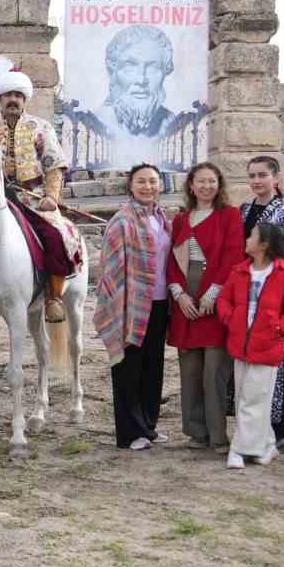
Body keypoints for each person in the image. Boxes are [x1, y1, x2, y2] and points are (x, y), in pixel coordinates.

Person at [0, 59, 81, 324]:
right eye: (8, 95)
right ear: (0, 98)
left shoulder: (40, 127)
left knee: (55, 236)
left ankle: (53, 297)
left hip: (32, 199)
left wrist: (51, 197)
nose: (13, 100)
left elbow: (54, 165)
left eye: (18, 95)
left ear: (24, 99)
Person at [165, 162, 244, 451]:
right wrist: (178, 294)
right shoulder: (181, 221)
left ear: (219, 184)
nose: (206, 186)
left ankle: (218, 435)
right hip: (186, 302)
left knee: (215, 372)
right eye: (201, 181)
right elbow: (171, 261)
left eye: (212, 181)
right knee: (190, 371)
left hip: (215, 301)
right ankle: (196, 432)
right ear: (191, 185)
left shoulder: (229, 216)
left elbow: (233, 255)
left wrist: (214, 292)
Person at [216, 222, 284, 470]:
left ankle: (240, 449)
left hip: (266, 348)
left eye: (252, 236)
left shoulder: (282, 275)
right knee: (245, 398)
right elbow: (224, 299)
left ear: (264, 245)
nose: (247, 239)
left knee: (253, 400)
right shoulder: (239, 271)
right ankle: (267, 445)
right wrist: (229, 318)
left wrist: (280, 328)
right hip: (240, 346)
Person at [94, 163, 173, 450]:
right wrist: (117, 306)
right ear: (131, 186)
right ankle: (130, 433)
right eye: (141, 181)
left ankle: (148, 426)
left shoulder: (162, 218)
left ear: (160, 185)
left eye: (153, 181)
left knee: (154, 366)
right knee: (129, 369)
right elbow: (110, 269)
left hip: (160, 302)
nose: (148, 186)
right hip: (130, 306)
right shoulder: (122, 220)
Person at [239, 155, 284, 444]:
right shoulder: (243, 210)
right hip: (246, 294)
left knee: (276, 362)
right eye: (252, 175)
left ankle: (280, 424)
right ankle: (253, 423)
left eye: (262, 175)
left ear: (275, 178)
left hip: (274, 296)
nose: (256, 181)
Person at [103, 24, 175, 138]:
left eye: (152, 67)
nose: (141, 80)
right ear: (112, 72)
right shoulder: (92, 125)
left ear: (165, 70)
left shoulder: (177, 128)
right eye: (129, 66)